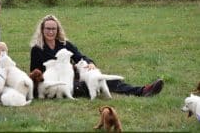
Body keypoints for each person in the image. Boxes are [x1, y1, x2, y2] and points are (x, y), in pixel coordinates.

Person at [29, 14, 164, 98]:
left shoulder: (64, 44)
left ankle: (143, 90)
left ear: (58, 30)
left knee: (104, 80)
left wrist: (90, 63)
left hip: (73, 76)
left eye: (54, 28)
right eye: (48, 28)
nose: (51, 31)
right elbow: (35, 73)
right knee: (80, 87)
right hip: (56, 82)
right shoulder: (37, 49)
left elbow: (80, 57)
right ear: (42, 30)